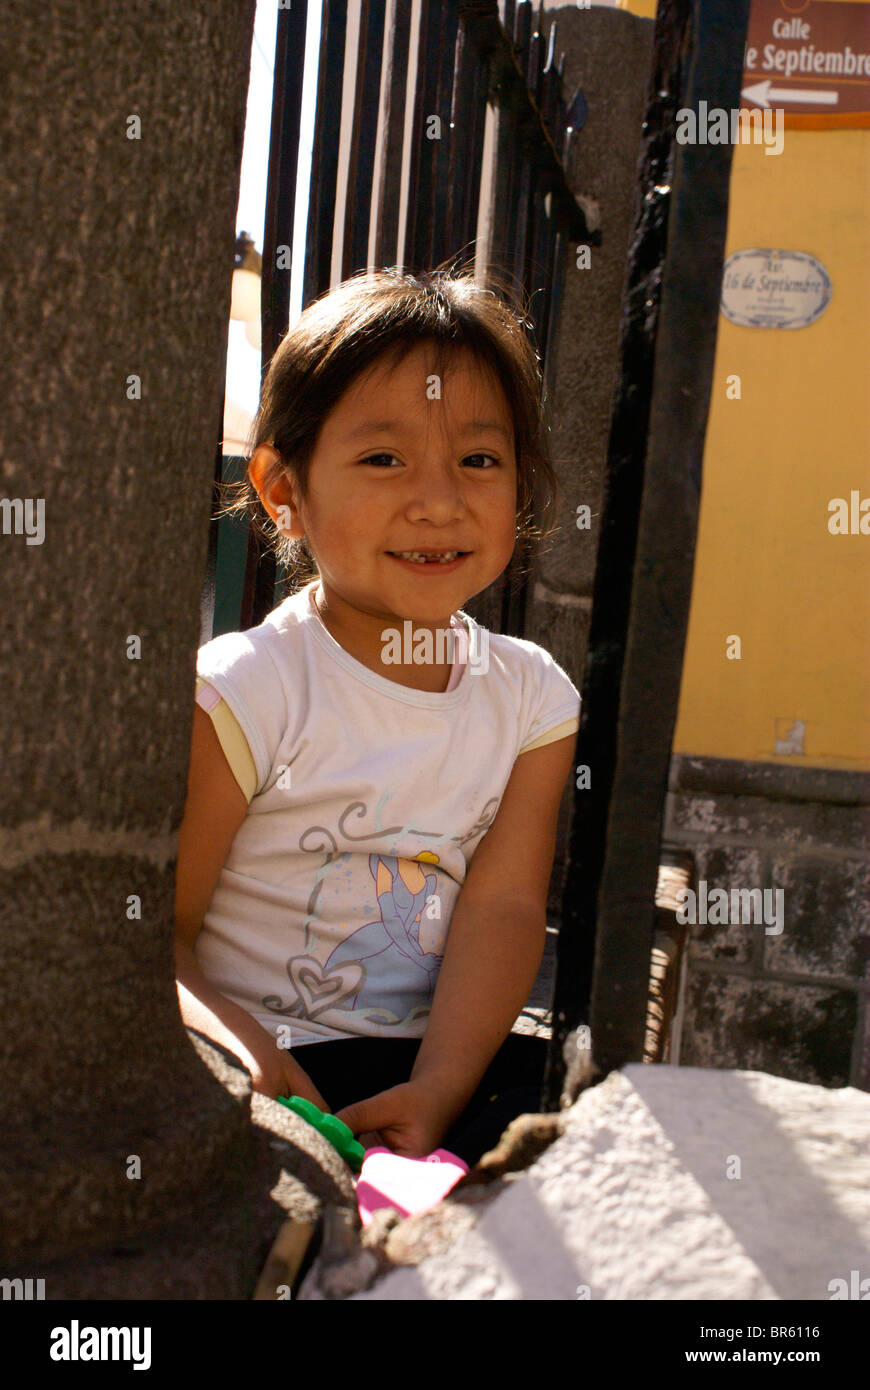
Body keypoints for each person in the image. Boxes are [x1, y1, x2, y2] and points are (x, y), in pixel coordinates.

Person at [174, 265, 581, 1167]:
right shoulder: (248, 689)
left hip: (435, 1064)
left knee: (572, 1123)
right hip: (261, 1056)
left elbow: (505, 906)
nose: (439, 500)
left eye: (479, 458)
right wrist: (256, 1060)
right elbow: (158, 934)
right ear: (283, 489)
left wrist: (437, 1091)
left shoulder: (533, 700)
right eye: (383, 458)